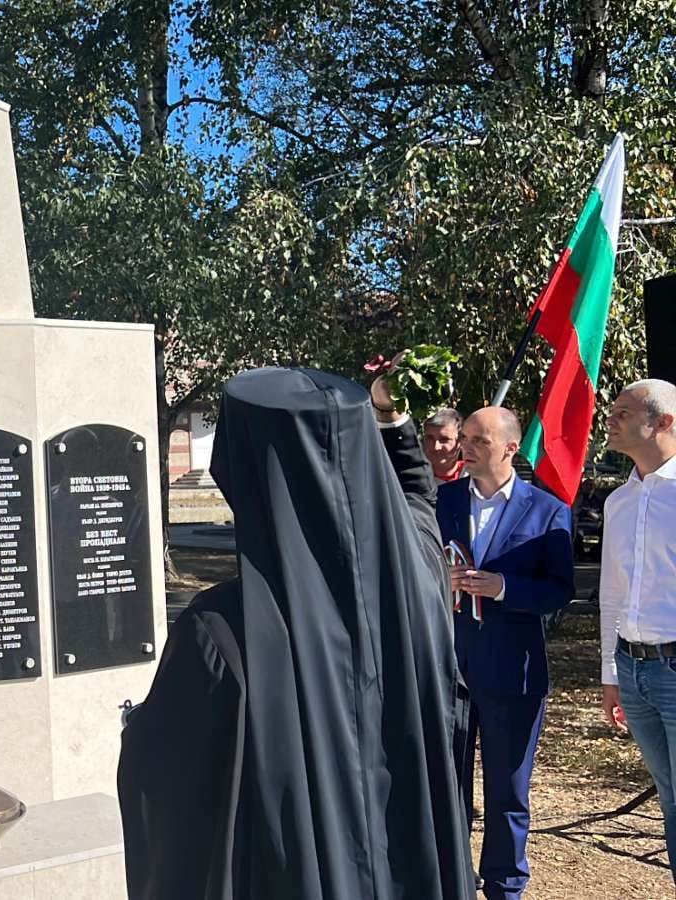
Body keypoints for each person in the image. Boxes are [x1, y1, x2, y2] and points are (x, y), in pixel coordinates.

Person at [117, 365, 472, 900]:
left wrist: (137, 728)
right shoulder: (424, 579)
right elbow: (418, 501)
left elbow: (172, 795)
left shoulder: (220, 630)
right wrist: (390, 419)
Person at [435, 406, 574, 899]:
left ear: (511, 448)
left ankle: (505, 885)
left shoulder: (547, 510)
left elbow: (559, 590)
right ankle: (449, 878)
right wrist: (438, 578)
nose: (466, 448)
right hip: (447, 667)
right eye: (465, 438)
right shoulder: (443, 500)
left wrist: (503, 588)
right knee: (445, 786)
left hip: (513, 670)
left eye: (480, 440)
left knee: (507, 791)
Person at [597, 378, 676, 884]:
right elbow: (611, 592)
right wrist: (611, 672)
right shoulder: (618, 503)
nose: (611, 418)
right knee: (669, 798)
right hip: (634, 670)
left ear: (663, 422)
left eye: (624, 412)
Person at [424, 407, 466, 482]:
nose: (436, 447)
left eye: (444, 439)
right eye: (430, 438)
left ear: (460, 441)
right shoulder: (411, 478)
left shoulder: (476, 476)